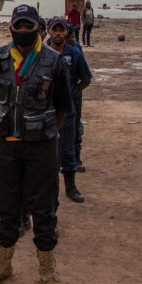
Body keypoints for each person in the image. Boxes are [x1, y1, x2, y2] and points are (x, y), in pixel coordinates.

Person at [0, 5, 72, 284]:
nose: (22, 30)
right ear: (10, 28)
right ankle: (3, 264)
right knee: (6, 205)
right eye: (18, 25)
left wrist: (48, 133)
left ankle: (47, 267)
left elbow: (62, 106)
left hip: (42, 146)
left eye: (28, 25)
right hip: (7, 143)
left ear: (38, 28)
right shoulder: (1, 57)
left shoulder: (54, 61)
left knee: (43, 207)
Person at [47, 17, 92, 202]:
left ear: (66, 32)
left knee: (67, 149)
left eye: (61, 30)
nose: (58, 33)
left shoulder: (74, 53)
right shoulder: (41, 53)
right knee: (47, 151)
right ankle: (49, 187)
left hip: (67, 109)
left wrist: (72, 93)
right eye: (54, 30)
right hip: (46, 108)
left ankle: (71, 187)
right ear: (49, 31)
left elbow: (86, 78)